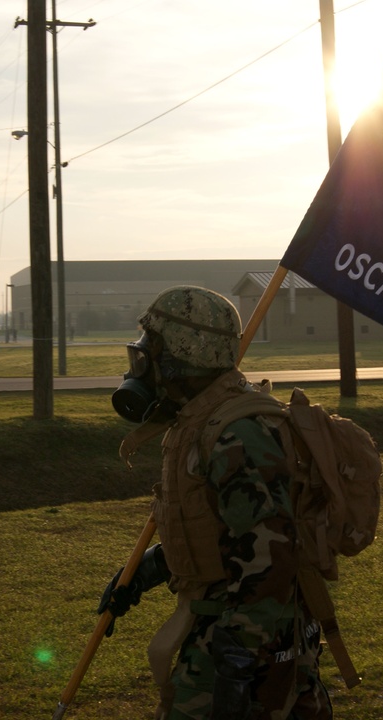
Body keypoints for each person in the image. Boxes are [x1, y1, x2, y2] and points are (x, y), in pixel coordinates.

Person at [102, 286, 332, 720]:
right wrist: (146, 570)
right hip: (219, 632)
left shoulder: (239, 435)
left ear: (182, 357)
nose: (140, 366)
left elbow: (270, 561)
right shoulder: (197, 421)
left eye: (149, 353)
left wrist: (238, 665)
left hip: (251, 647)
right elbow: (217, 533)